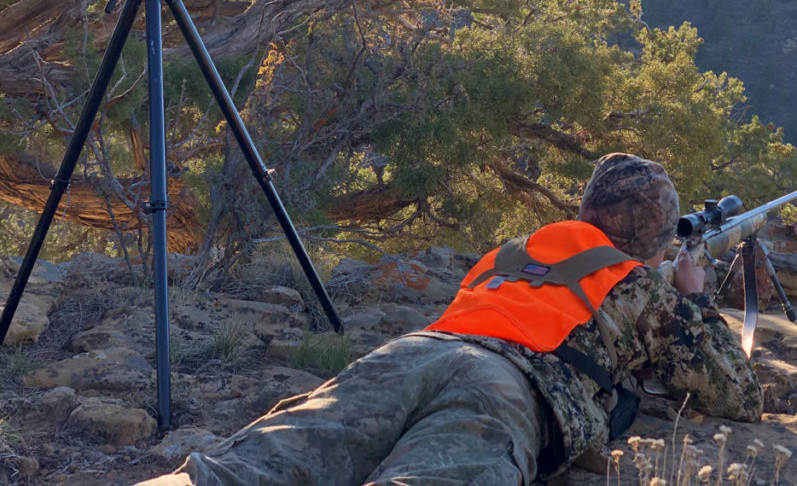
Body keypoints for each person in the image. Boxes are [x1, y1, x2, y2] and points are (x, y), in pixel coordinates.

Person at [137, 153, 762, 486]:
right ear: (655, 237)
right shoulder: (639, 288)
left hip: (410, 356)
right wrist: (694, 296)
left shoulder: (513, 252)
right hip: (502, 390)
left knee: (243, 469)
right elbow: (735, 394)